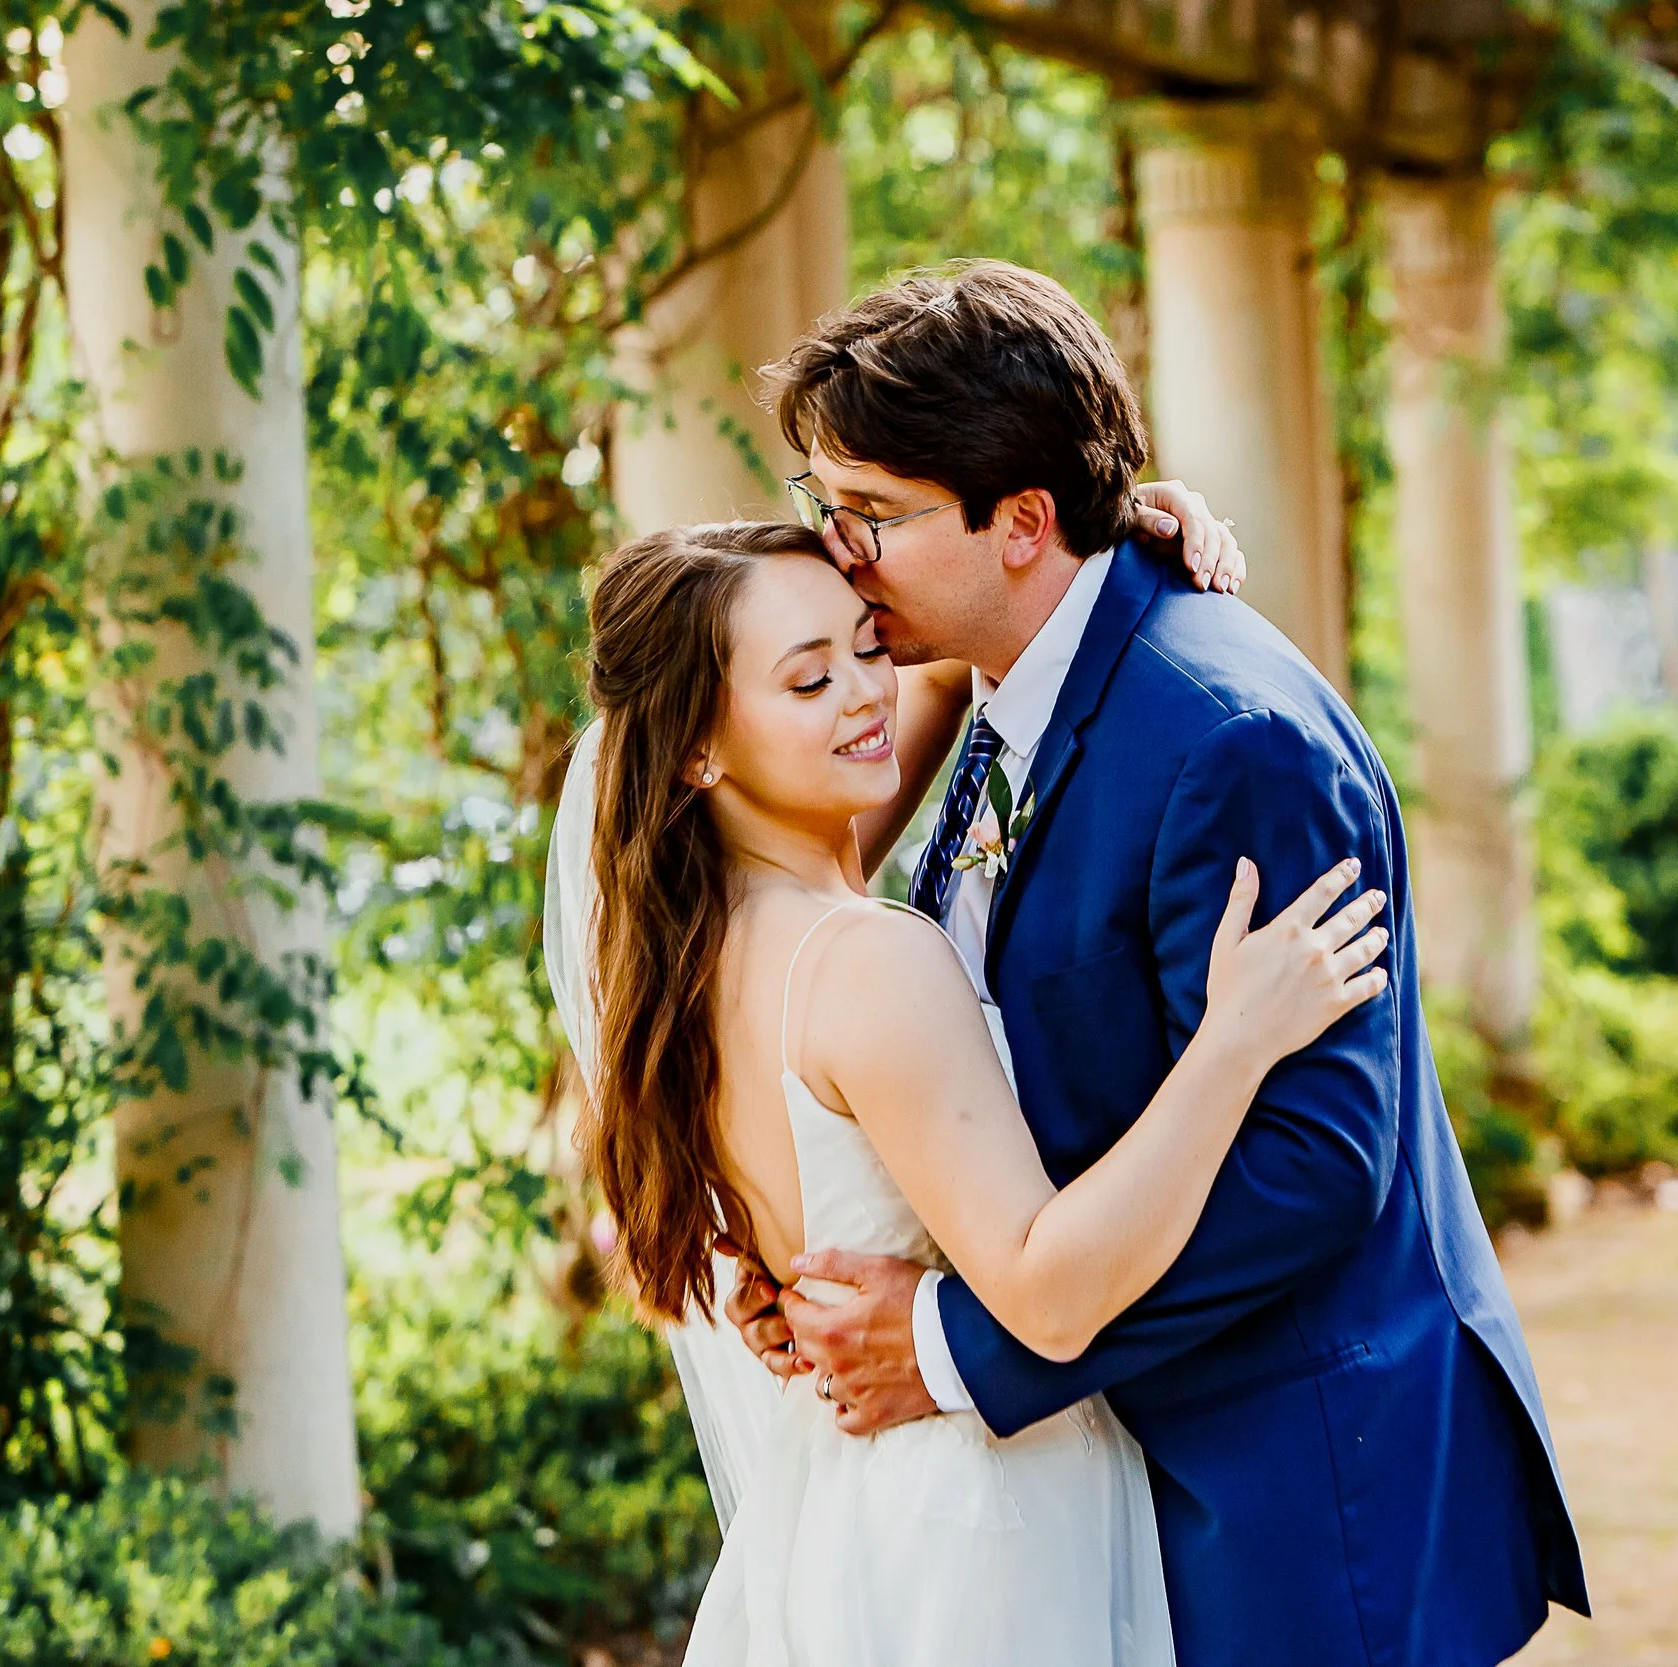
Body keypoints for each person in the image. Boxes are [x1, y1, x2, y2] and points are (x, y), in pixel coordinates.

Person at [717, 260, 1590, 1666]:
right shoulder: (1008, 682)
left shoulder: (1226, 737)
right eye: (830, 509)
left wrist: (951, 1345)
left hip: (1288, 1495)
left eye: (869, 514)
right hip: (1117, 1478)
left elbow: (1312, 1161)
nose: (840, 554)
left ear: (1020, 524)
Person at [575, 517, 1392, 1665]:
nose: (865, 694)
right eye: (808, 678)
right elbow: (1049, 1293)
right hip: (985, 1514)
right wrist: (1235, 1041)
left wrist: (1092, 531)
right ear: (695, 750)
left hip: (847, 1507)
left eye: (868, 647)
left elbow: (968, 662)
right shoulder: (865, 960)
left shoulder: (692, 960)